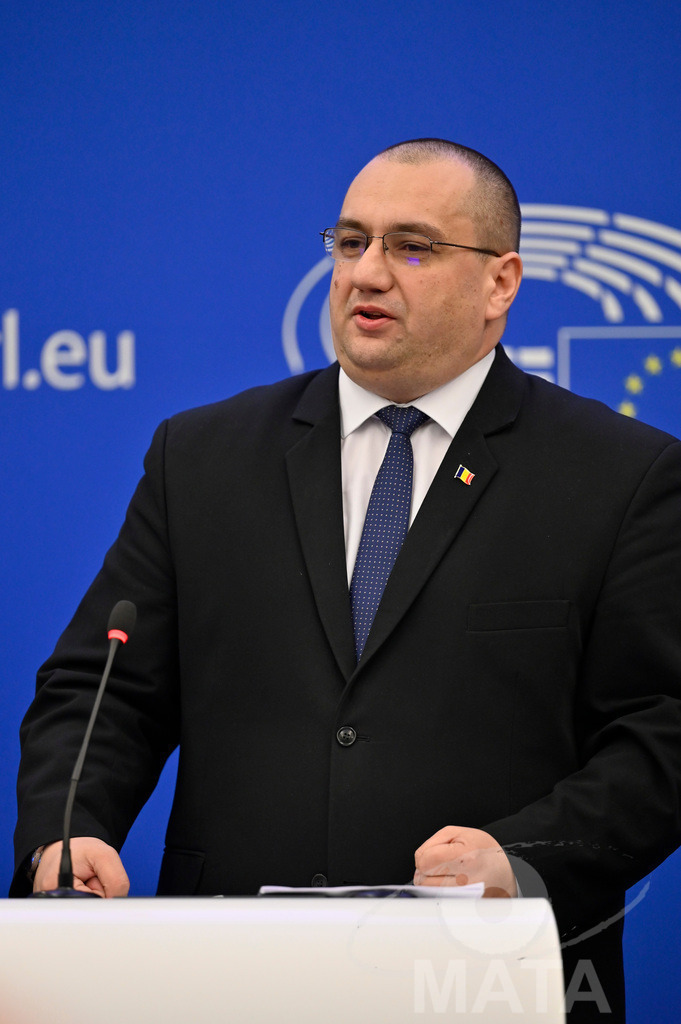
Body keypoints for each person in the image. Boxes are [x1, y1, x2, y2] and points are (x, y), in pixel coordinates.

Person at [11, 139, 681, 1021]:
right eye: (349, 241)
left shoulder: (617, 476)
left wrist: (519, 861)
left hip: (486, 978)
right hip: (223, 975)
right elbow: (101, 690)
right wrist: (70, 828)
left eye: (412, 247)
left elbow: (660, 730)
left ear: (500, 282)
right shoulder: (203, 458)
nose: (366, 273)